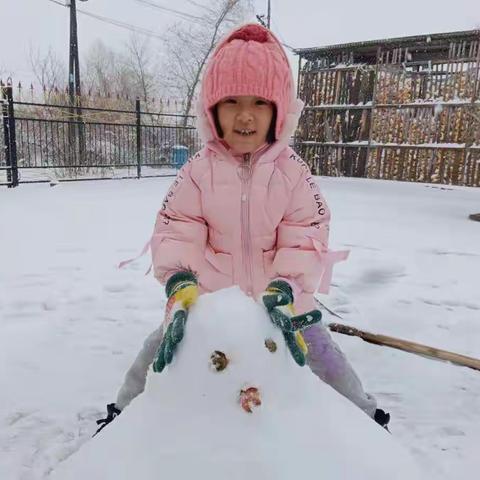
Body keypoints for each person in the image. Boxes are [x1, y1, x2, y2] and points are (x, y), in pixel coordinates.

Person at [96, 23, 390, 435]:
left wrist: (287, 285)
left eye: (259, 102)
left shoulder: (294, 173)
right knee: (157, 349)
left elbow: (306, 232)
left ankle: (365, 418)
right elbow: (178, 229)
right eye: (230, 101)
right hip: (213, 303)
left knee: (324, 356)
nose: (245, 115)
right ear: (211, 110)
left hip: (285, 303)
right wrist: (182, 286)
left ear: (279, 110)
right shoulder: (197, 173)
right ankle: (123, 413)